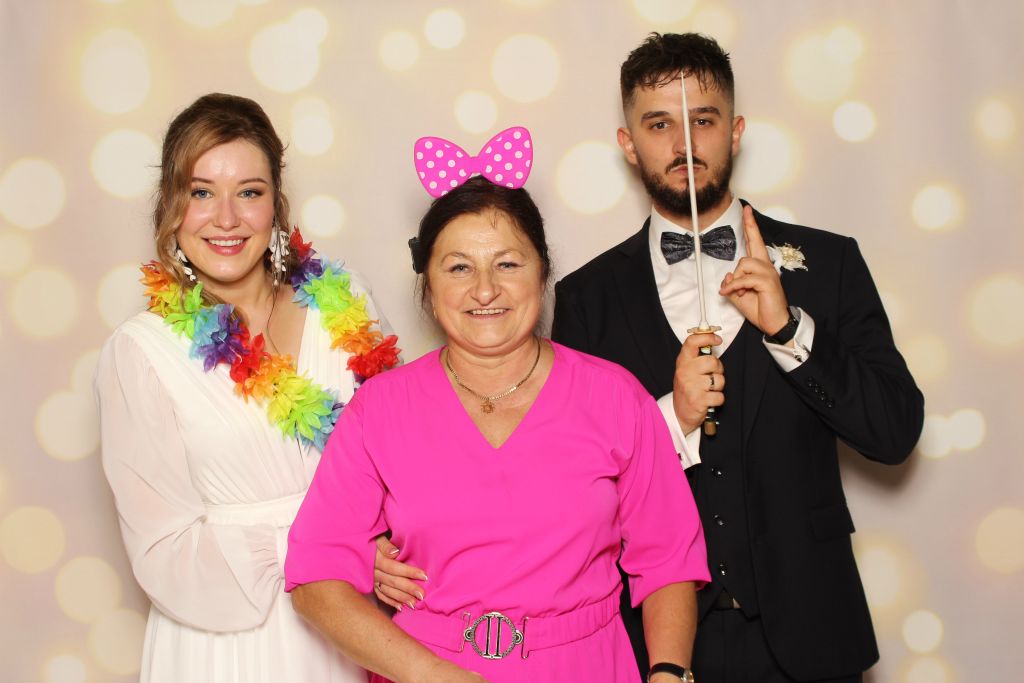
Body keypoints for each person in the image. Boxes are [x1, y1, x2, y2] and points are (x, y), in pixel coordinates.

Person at [551, 33, 924, 683]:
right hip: (658, 647)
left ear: (736, 131)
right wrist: (670, 419)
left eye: (703, 120)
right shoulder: (587, 298)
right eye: (659, 124)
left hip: (814, 636)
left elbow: (894, 432)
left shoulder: (828, 263)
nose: (684, 143)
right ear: (628, 144)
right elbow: (567, 482)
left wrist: (788, 330)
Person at [284, 129, 710, 683]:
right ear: (428, 283)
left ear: (543, 271)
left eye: (508, 264)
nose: (485, 290)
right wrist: (436, 677)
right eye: (459, 267)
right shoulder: (379, 409)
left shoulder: (615, 397)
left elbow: (668, 559)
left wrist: (669, 673)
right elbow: (316, 578)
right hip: (425, 670)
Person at [95, 92, 400, 683]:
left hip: (354, 625)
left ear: (276, 204)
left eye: (249, 192)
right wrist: (338, 551)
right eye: (201, 192)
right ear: (170, 206)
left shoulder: (345, 300)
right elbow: (163, 550)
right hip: (231, 643)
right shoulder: (141, 353)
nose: (227, 218)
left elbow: (403, 452)